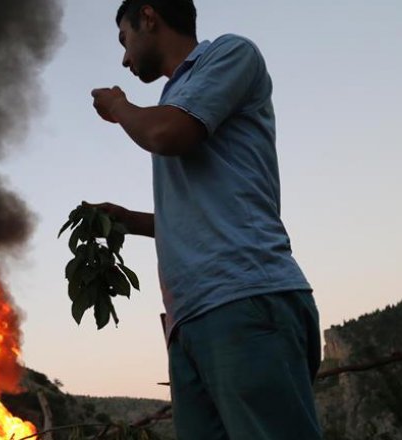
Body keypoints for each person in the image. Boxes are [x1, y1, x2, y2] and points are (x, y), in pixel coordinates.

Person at [87, 1, 323, 438]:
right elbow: (198, 212)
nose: (124, 57)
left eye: (125, 39)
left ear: (150, 16)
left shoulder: (229, 55)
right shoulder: (172, 100)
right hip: (190, 319)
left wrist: (120, 106)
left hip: (244, 297)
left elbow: (166, 135)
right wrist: (128, 221)